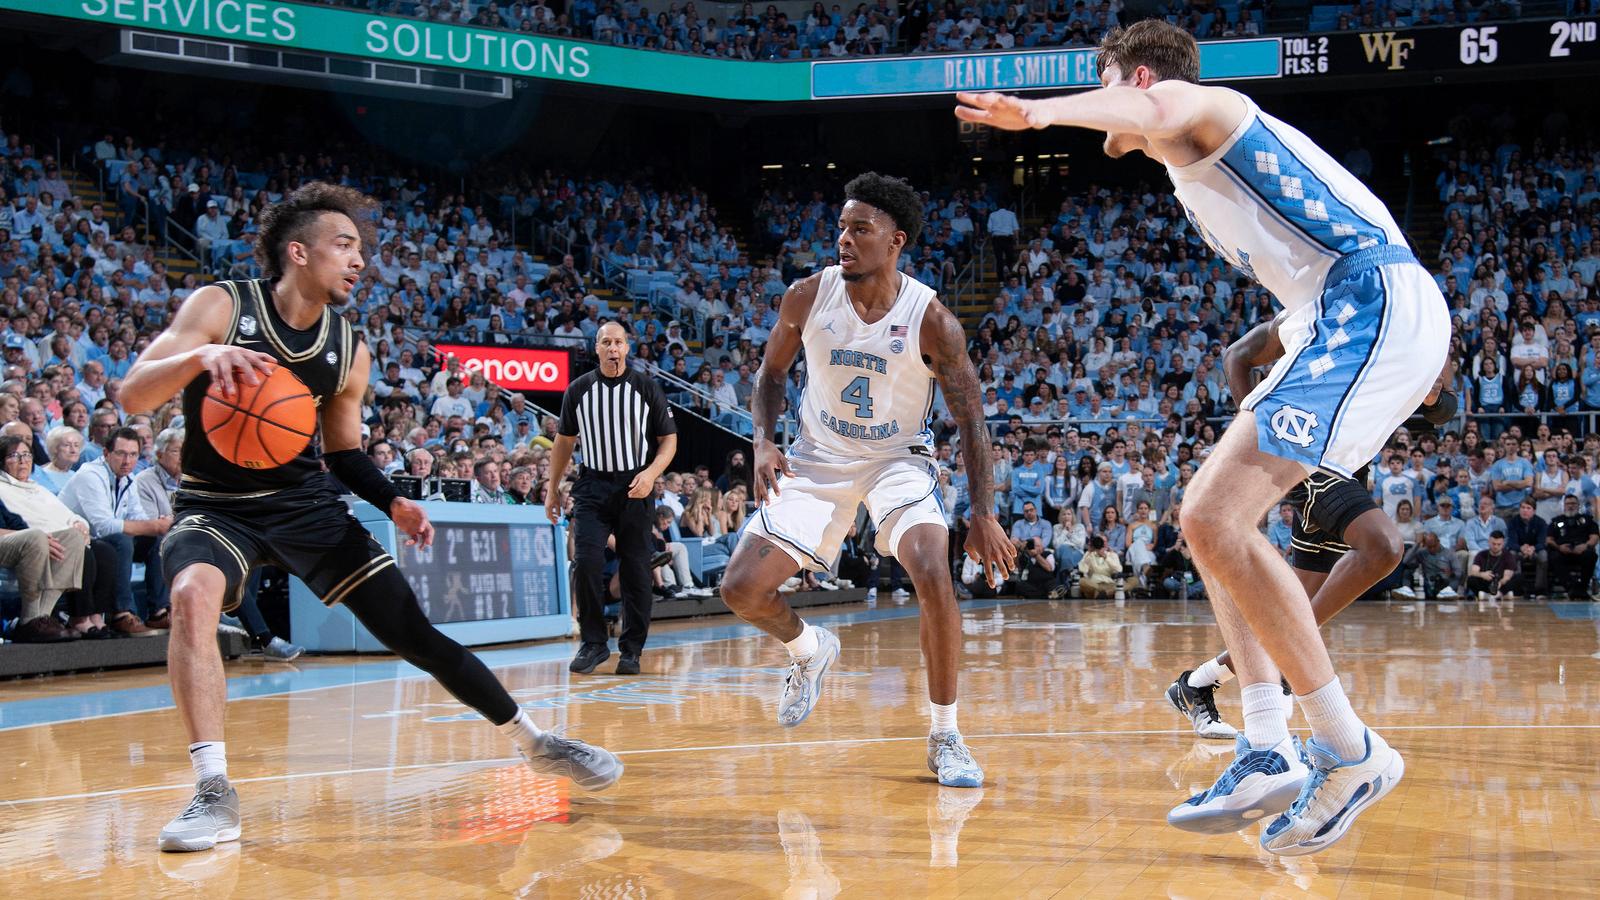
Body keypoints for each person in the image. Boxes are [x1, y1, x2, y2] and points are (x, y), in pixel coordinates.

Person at [958, 20, 1450, 853]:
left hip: (1369, 299)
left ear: (1138, 78)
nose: (1112, 102)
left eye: (1113, 83)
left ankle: (1348, 749)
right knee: (1215, 525)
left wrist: (1039, 115)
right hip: (1331, 319)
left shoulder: (1202, 105)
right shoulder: (1190, 166)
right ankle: (1265, 743)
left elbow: (1156, 105)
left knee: (1212, 517)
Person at [120, 182, 621, 854]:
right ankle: (214, 790)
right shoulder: (221, 305)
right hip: (217, 506)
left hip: (306, 507)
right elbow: (131, 393)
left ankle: (536, 742)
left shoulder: (346, 346)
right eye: (345, 245)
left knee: (412, 630)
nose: (360, 261)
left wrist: (392, 501)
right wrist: (200, 357)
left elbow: (343, 452)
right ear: (298, 252)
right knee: (190, 596)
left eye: (361, 250)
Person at [719, 173, 1014, 789]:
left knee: (932, 567)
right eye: (842, 228)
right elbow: (771, 375)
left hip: (896, 459)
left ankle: (945, 734)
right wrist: (764, 442)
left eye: (861, 229)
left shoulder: (931, 319)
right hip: (817, 456)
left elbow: (971, 417)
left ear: (895, 240)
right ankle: (807, 650)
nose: (844, 240)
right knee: (741, 590)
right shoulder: (807, 296)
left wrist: (983, 512)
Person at [545, 321, 678, 676]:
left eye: (618, 342)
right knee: (586, 561)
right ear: (597, 348)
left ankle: (631, 650)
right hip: (592, 485)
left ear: (627, 348)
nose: (613, 348)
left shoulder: (646, 388)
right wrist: (552, 488)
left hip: (636, 484)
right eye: (606, 342)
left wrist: (651, 474)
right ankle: (593, 643)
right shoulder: (579, 389)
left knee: (635, 569)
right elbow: (564, 442)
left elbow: (669, 441)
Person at [1546, 494, 1598, 600]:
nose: (1570, 506)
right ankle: (1572, 587)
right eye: (1568, 504)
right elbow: (1549, 539)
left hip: (1581, 551)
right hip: (1563, 551)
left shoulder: (1587, 520)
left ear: (1578, 505)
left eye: (1573, 503)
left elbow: (1595, 537)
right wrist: (1559, 547)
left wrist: (1585, 545)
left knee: (1591, 555)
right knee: (1554, 557)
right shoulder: (1557, 521)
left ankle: (1582, 586)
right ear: (1564, 505)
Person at [1466, 530, 1521, 602]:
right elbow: (1473, 572)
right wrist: (1482, 574)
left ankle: (1492, 595)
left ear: (1503, 544)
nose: (1496, 547)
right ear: (1489, 542)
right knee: (1471, 580)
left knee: (1518, 578)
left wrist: (1500, 583)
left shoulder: (1508, 556)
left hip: (1501, 583)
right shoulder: (1481, 554)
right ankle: (1501, 595)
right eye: (1493, 544)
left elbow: (1507, 576)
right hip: (1486, 582)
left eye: (1499, 544)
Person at [1077, 534, 1121, 598]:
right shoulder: (1089, 555)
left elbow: (1119, 569)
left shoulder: (1113, 555)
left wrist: (1106, 557)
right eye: (1101, 541)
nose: (1102, 544)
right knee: (1081, 581)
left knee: (1133, 580)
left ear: (1107, 543)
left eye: (1104, 541)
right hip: (1094, 584)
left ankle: (1102, 593)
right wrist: (1089, 553)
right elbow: (1082, 569)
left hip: (1108, 583)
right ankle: (1106, 593)